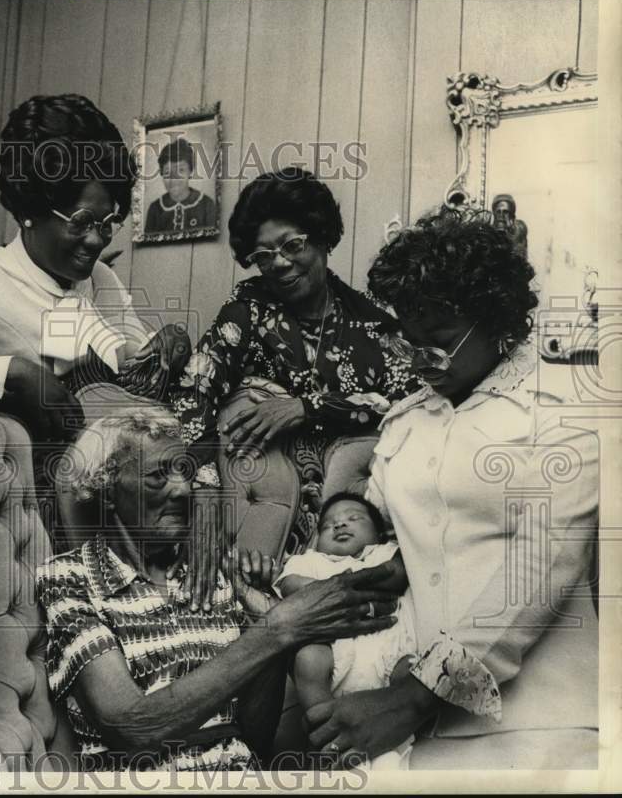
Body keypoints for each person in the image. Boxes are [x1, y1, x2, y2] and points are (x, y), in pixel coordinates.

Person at [305, 208, 599, 769]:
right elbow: (400, 546)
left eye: (437, 343)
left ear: (494, 320)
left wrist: (413, 697)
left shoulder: (561, 411)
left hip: (546, 719)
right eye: (407, 343)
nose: (421, 364)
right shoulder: (405, 423)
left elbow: (541, 563)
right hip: (422, 729)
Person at [36, 408, 402, 771]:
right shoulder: (69, 578)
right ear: (108, 490)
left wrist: (268, 625)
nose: (181, 490)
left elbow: (253, 738)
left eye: (184, 471)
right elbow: (131, 727)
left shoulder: (213, 570)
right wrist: (277, 629)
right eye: (157, 476)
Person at [0, 93, 190, 441]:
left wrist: (162, 348)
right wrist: (13, 373)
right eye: (80, 221)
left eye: (108, 222)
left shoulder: (102, 279)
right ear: (28, 211)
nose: (96, 240)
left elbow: (132, 361)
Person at [169, 167, 419, 557]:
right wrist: (204, 490)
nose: (280, 263)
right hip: (253, 523)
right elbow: (192, 393)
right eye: (264, 255)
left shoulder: (372, 325)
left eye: (293, 245)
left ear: (322, 238)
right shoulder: (246, 312)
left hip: (347, 529)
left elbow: (408, 402)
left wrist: (307, 407)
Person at [274, 493, 417, 769]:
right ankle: (327, 732)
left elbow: (400, 573)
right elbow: (290, 585)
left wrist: (333, 588)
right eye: (329, 525)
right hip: (334, 656)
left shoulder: (385, 552)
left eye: (354, 518)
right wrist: (345, 588)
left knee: (413, 671)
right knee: (308, 659)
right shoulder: (311, 561)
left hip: (391, 653)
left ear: (378, 533)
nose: (339, 525)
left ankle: (396, 739)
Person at [144, 137, 216, 234]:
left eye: (181, 170)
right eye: (167, 172)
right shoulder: (155, 209)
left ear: (190, 171)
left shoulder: (206, 205)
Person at [491, 193, 528, 259]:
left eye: (505, 212)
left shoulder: (519, 230)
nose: (501, 215)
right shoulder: (488, 233)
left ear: (512, 215)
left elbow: (519, 257)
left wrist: (509, 233)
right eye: (498, 212)